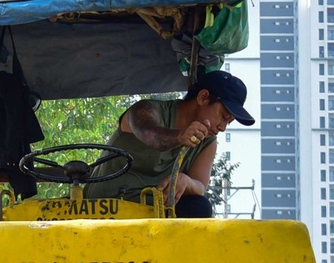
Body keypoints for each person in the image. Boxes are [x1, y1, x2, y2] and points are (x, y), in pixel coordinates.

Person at [90, 70, 254, 217]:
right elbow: (149, 133)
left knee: (200, 207)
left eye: (229, 122)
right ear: (203, 97)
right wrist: (180, 136)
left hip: (154, 209)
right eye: (223, 116)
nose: (223, 127)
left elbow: (200, 186)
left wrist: (185, 181)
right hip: (105, 205)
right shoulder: (146, 110)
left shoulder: (208, 142)